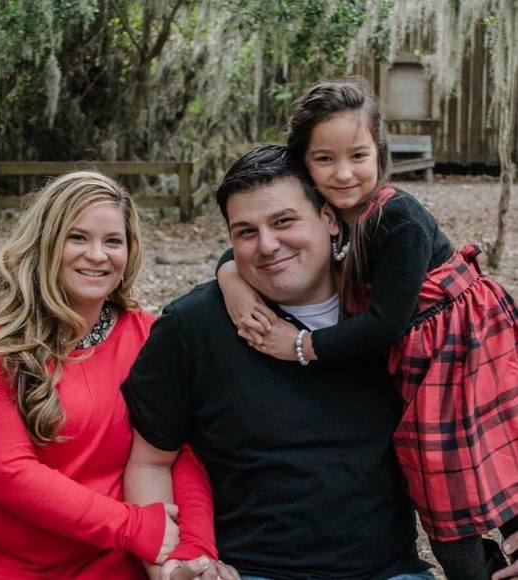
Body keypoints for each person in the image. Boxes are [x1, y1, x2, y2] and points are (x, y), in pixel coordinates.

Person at [217, 79, 518, 579]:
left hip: (464, 346)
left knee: (487, 459)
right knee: (440, 483)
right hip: (423, 358)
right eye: (324, 159)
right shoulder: (330, 215)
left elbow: (384, 324)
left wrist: (301, 345)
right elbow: (246, 245)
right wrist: (232, 281)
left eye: (358, 156)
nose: (343, 173)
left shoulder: (397, 217)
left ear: (379, 153)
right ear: (303, 165)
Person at [122, 144, 433, 579]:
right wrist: (168, 564)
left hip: (389, 571)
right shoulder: (192, 327)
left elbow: (479, 417)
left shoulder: (391, 314)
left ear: (329, 218)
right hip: (250, 569)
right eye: (246, 232)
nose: (267, 245)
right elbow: (151, 461)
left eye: (284, 221)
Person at [0, 171, 217, 578]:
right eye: (78, 237)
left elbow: (179, 452)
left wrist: (193, 548)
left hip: (107, 562)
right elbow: (6, 472)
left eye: (113, 241)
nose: (97, 255)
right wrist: (133, 527)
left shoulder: (149, 336)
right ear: (46, 241)